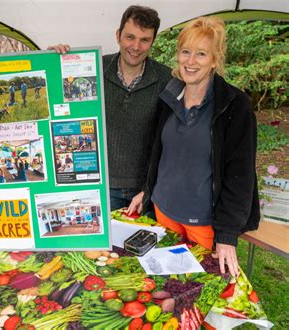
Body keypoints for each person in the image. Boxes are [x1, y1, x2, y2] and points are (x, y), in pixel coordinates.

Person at [128, 17, 260, 277]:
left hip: (204, 224)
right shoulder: (168, 96)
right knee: (167, 285)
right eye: (186, 52)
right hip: (163, 213)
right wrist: (147, 189)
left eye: (201, 54)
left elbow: (240, 175)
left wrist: (227, 234)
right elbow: (157, 152)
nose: (190, 61)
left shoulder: (235, 106)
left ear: (215, 59)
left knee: (198, 291)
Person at [49, 5, 172, 210]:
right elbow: (56, 103)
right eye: (130, 37)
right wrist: (52, 62)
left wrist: (150, 188)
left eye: (144, 40)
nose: (136, 46)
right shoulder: (92, 68)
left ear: (153, 41)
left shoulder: (166, 79)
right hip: (101, 186)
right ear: (118, 35)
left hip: (146, 190)